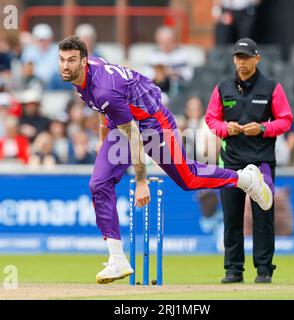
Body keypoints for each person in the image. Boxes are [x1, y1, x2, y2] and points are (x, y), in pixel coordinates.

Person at [58, 35, 273, 284]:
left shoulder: (105, 88)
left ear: (84, 61)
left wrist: (141, 181)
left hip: (151, 122)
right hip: (124, 123)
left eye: (71, 60)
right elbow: (101, 107)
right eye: (62, 60)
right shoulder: (82, 75)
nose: (65, 65)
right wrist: (102, 135)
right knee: (98, 183)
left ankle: (245, 179)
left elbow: (134, 134)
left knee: (188, 178)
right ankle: (117, 259)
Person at [205, 38, 294, 284]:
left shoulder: (272, 87)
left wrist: (263, 129)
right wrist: (226, 128)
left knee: (263, 217)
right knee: (232, 218)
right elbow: (211, 119)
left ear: (257, 58)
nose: (241, 62)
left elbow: (286, 120)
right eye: (238, 57)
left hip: (262, 162)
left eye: (246, 57)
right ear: (233, 59)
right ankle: (233, 270)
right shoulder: (222, 88)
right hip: (231, 162)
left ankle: (264, 270)